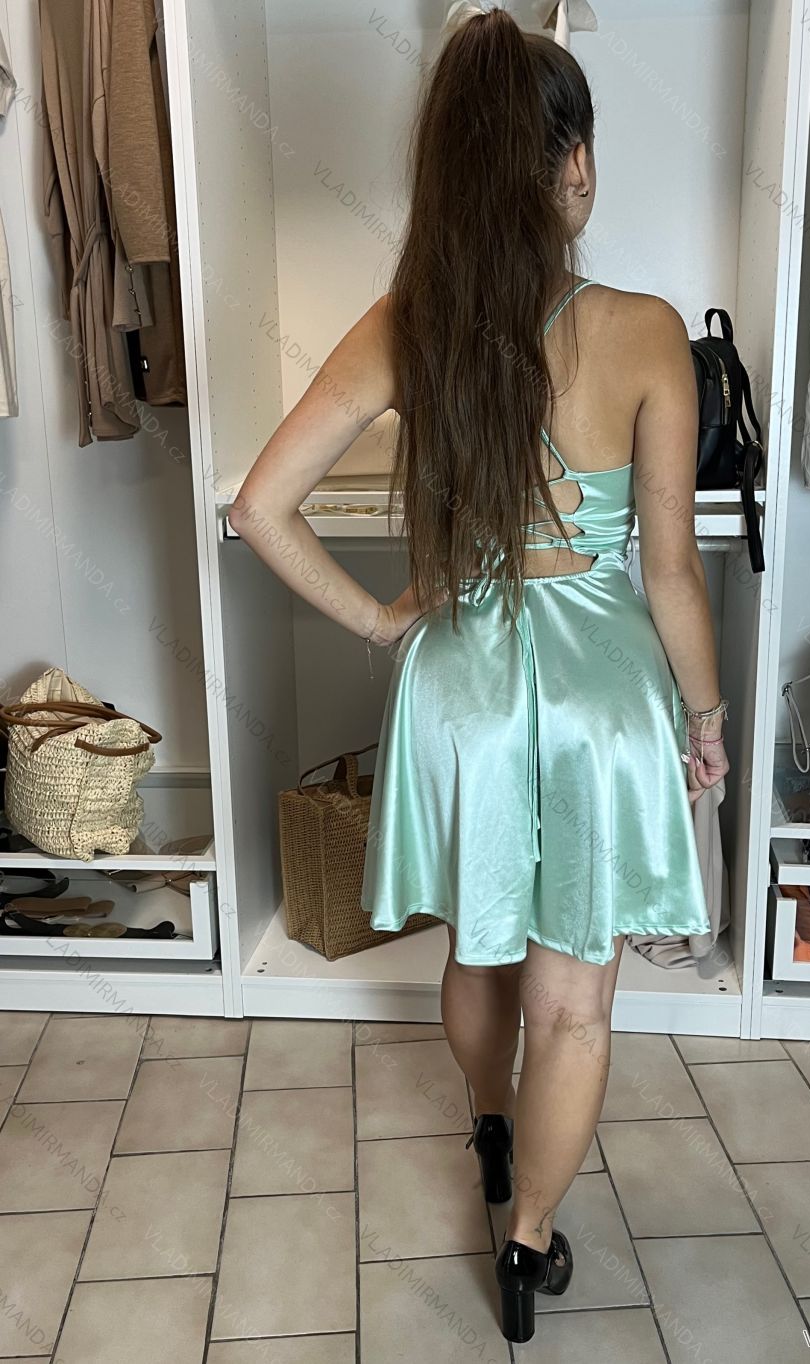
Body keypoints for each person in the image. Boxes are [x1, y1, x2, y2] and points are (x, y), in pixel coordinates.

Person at [229, 5, 728, 1345]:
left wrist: (386, 622)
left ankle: (490, 1123)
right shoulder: (648, 331)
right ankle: (527, 1245)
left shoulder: (408, 323)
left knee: (478, 939)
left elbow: (259, 508)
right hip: (600, 694)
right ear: (573, 164)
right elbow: (672, 573)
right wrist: (706, 717)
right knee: (574, 999)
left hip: (462, 681)